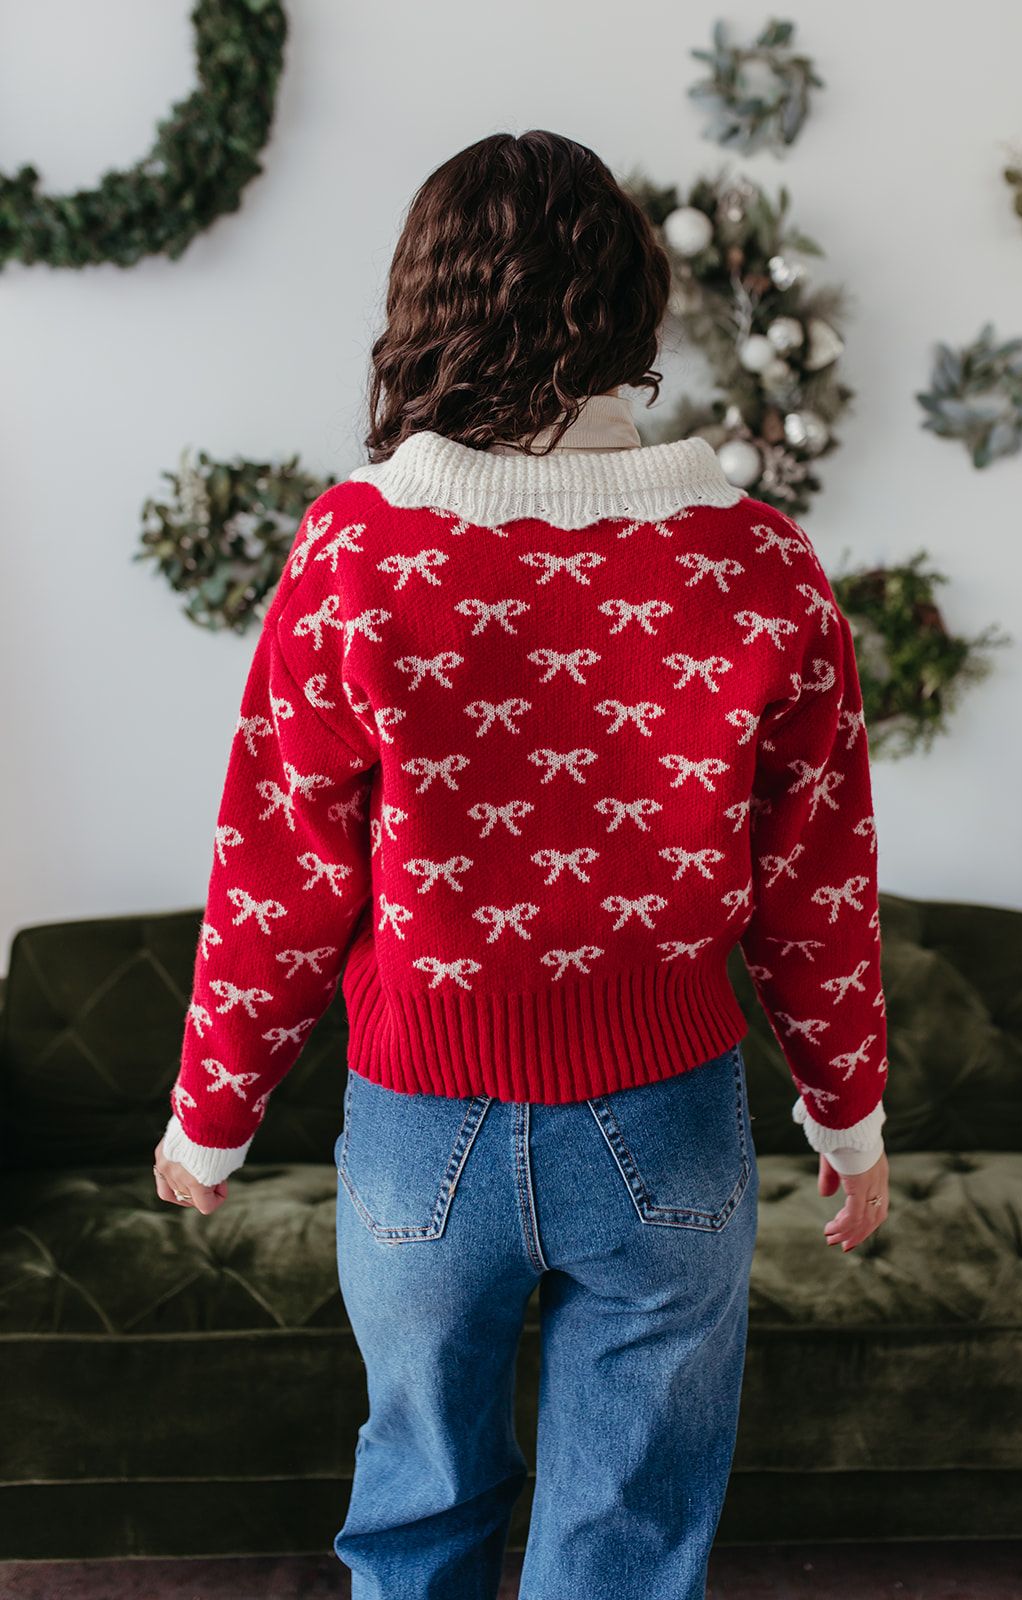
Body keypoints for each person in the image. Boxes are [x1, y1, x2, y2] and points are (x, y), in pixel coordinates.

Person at [153, 129, 891, 1600]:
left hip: (423, 1131)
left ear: (427, 310)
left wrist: (210, 1118)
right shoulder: (760, 562)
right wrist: (850, 1120)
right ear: (634, 313)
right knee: (626, 1532)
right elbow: (821, 878)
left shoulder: (353, 551)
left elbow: (280, 865)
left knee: (421, 1496)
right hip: (671, 1121)